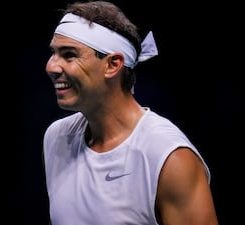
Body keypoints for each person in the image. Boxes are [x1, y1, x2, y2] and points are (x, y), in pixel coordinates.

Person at [43, 1, 219, 224]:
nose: (52, 66)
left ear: (113, 64)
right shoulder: (56, 138)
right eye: (54, 53)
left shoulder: (170, 157)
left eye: (69, 55)